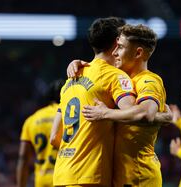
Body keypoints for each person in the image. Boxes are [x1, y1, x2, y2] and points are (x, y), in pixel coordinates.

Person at [50, 17, 140, 187]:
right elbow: (135, 115)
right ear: (117, 43)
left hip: (62, 175)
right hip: (91, 176)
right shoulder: (114, 76)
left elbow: (54, 137)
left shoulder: (70, 79)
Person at [78, 24, 169, 187]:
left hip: (139, 175)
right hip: (124, 175)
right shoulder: (126, 81)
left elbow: (146, 113)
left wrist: (104, 114)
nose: (114, 53)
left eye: (120, 47)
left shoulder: (149, 80)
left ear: (138, 52)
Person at [17, 79, 65, 187]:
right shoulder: (68, 114)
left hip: (41, 180)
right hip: (63, 179)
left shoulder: (31, 120)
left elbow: (23, 158)